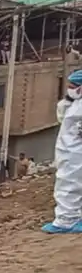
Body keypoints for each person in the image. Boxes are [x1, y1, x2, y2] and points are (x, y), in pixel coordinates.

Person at [43, 70, 82, 234]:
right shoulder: (74, 103)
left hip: (75, 153)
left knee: (70, 185)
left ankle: (67, 220)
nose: (69, 89)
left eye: (73, 86)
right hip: (69, 152)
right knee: (69, 184)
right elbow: (62, 115)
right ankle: (68, 218)